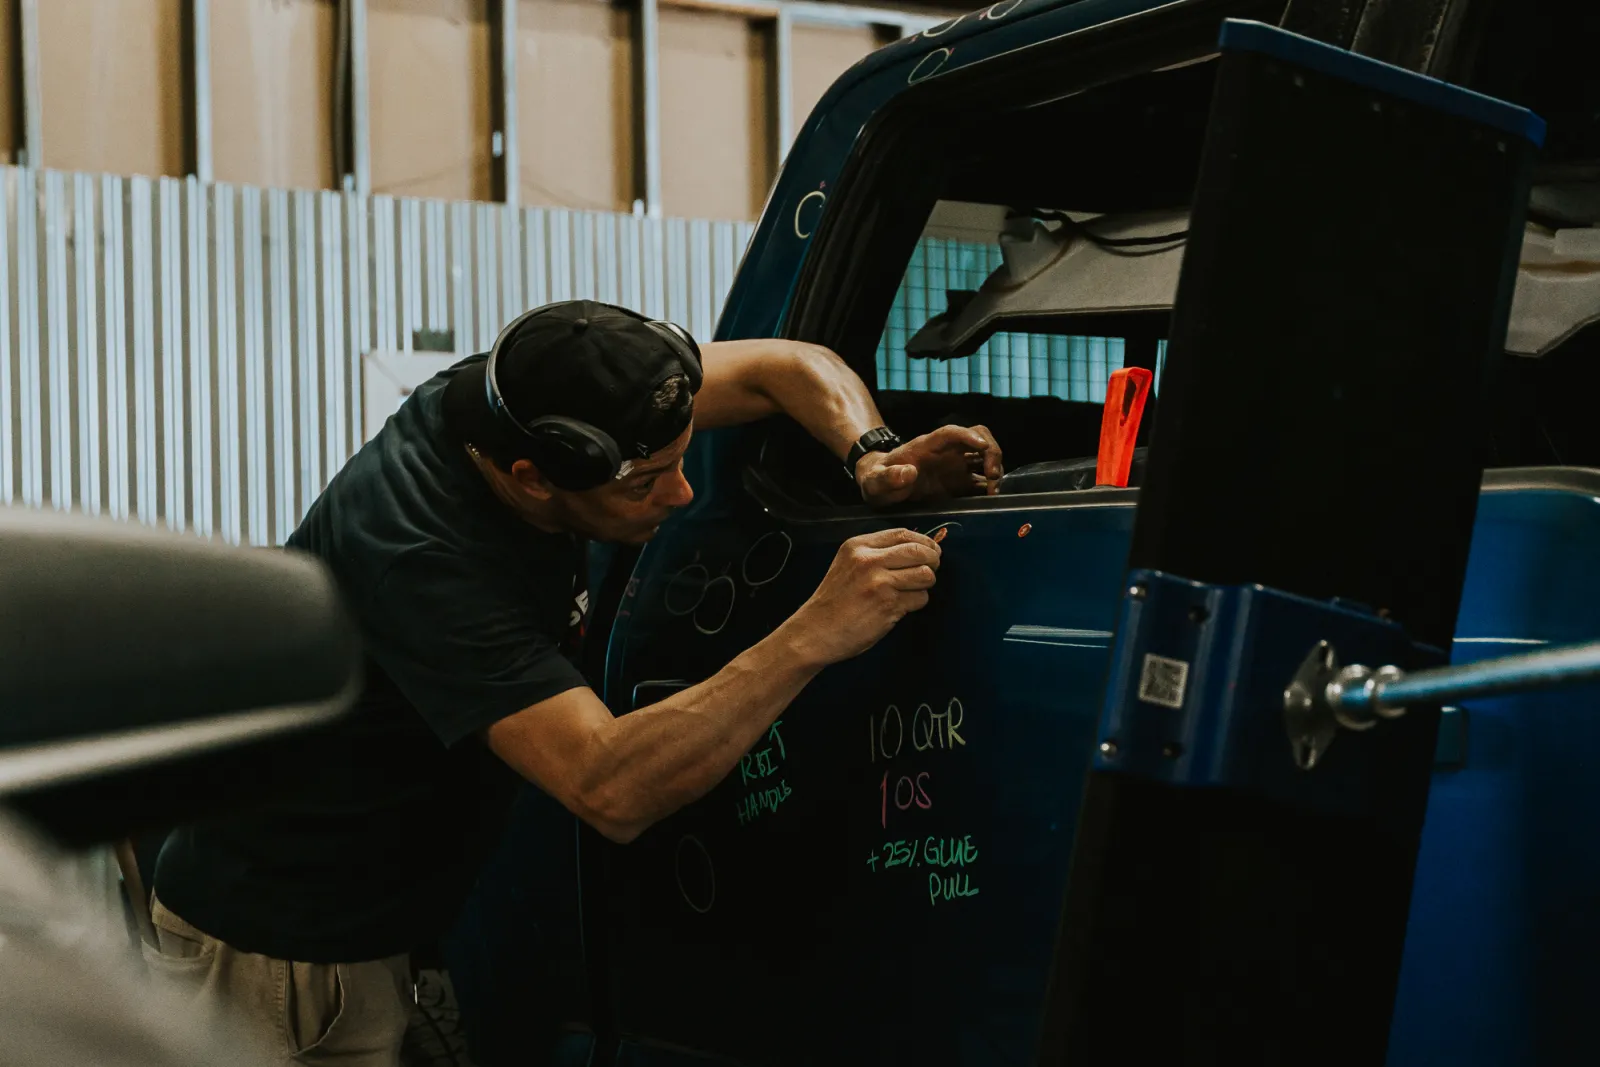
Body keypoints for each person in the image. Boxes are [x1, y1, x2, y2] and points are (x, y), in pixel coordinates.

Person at [144, 300, 1004, 1065]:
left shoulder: (530, 402)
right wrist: (814, 633)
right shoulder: (424, 561)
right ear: (533, 478)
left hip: (383, 918)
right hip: (277, 950)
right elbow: (609, 784)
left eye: (679, 454)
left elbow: (787, 367)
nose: (682, 489)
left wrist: (875, 455)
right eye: (646, 481)